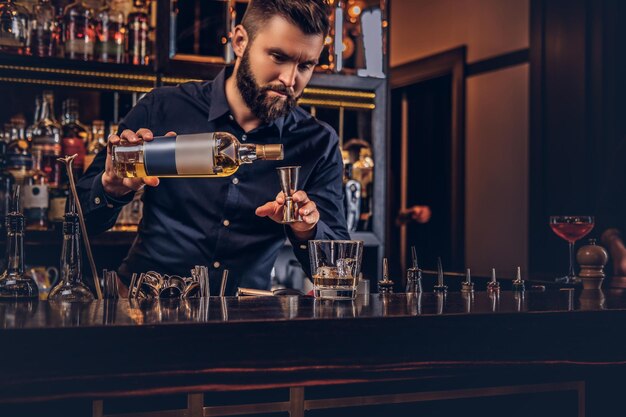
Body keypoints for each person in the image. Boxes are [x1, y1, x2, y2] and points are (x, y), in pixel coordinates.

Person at [77, 0, 349, 294]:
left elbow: (339, 266)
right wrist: (111, 190)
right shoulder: (163, 107)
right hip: (145, 307)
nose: (289, 79)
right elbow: (76, 222)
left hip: (244, 320)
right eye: (278, 56)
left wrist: (306, 228)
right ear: (241, 41)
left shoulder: (318, 142)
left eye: (306, 65)